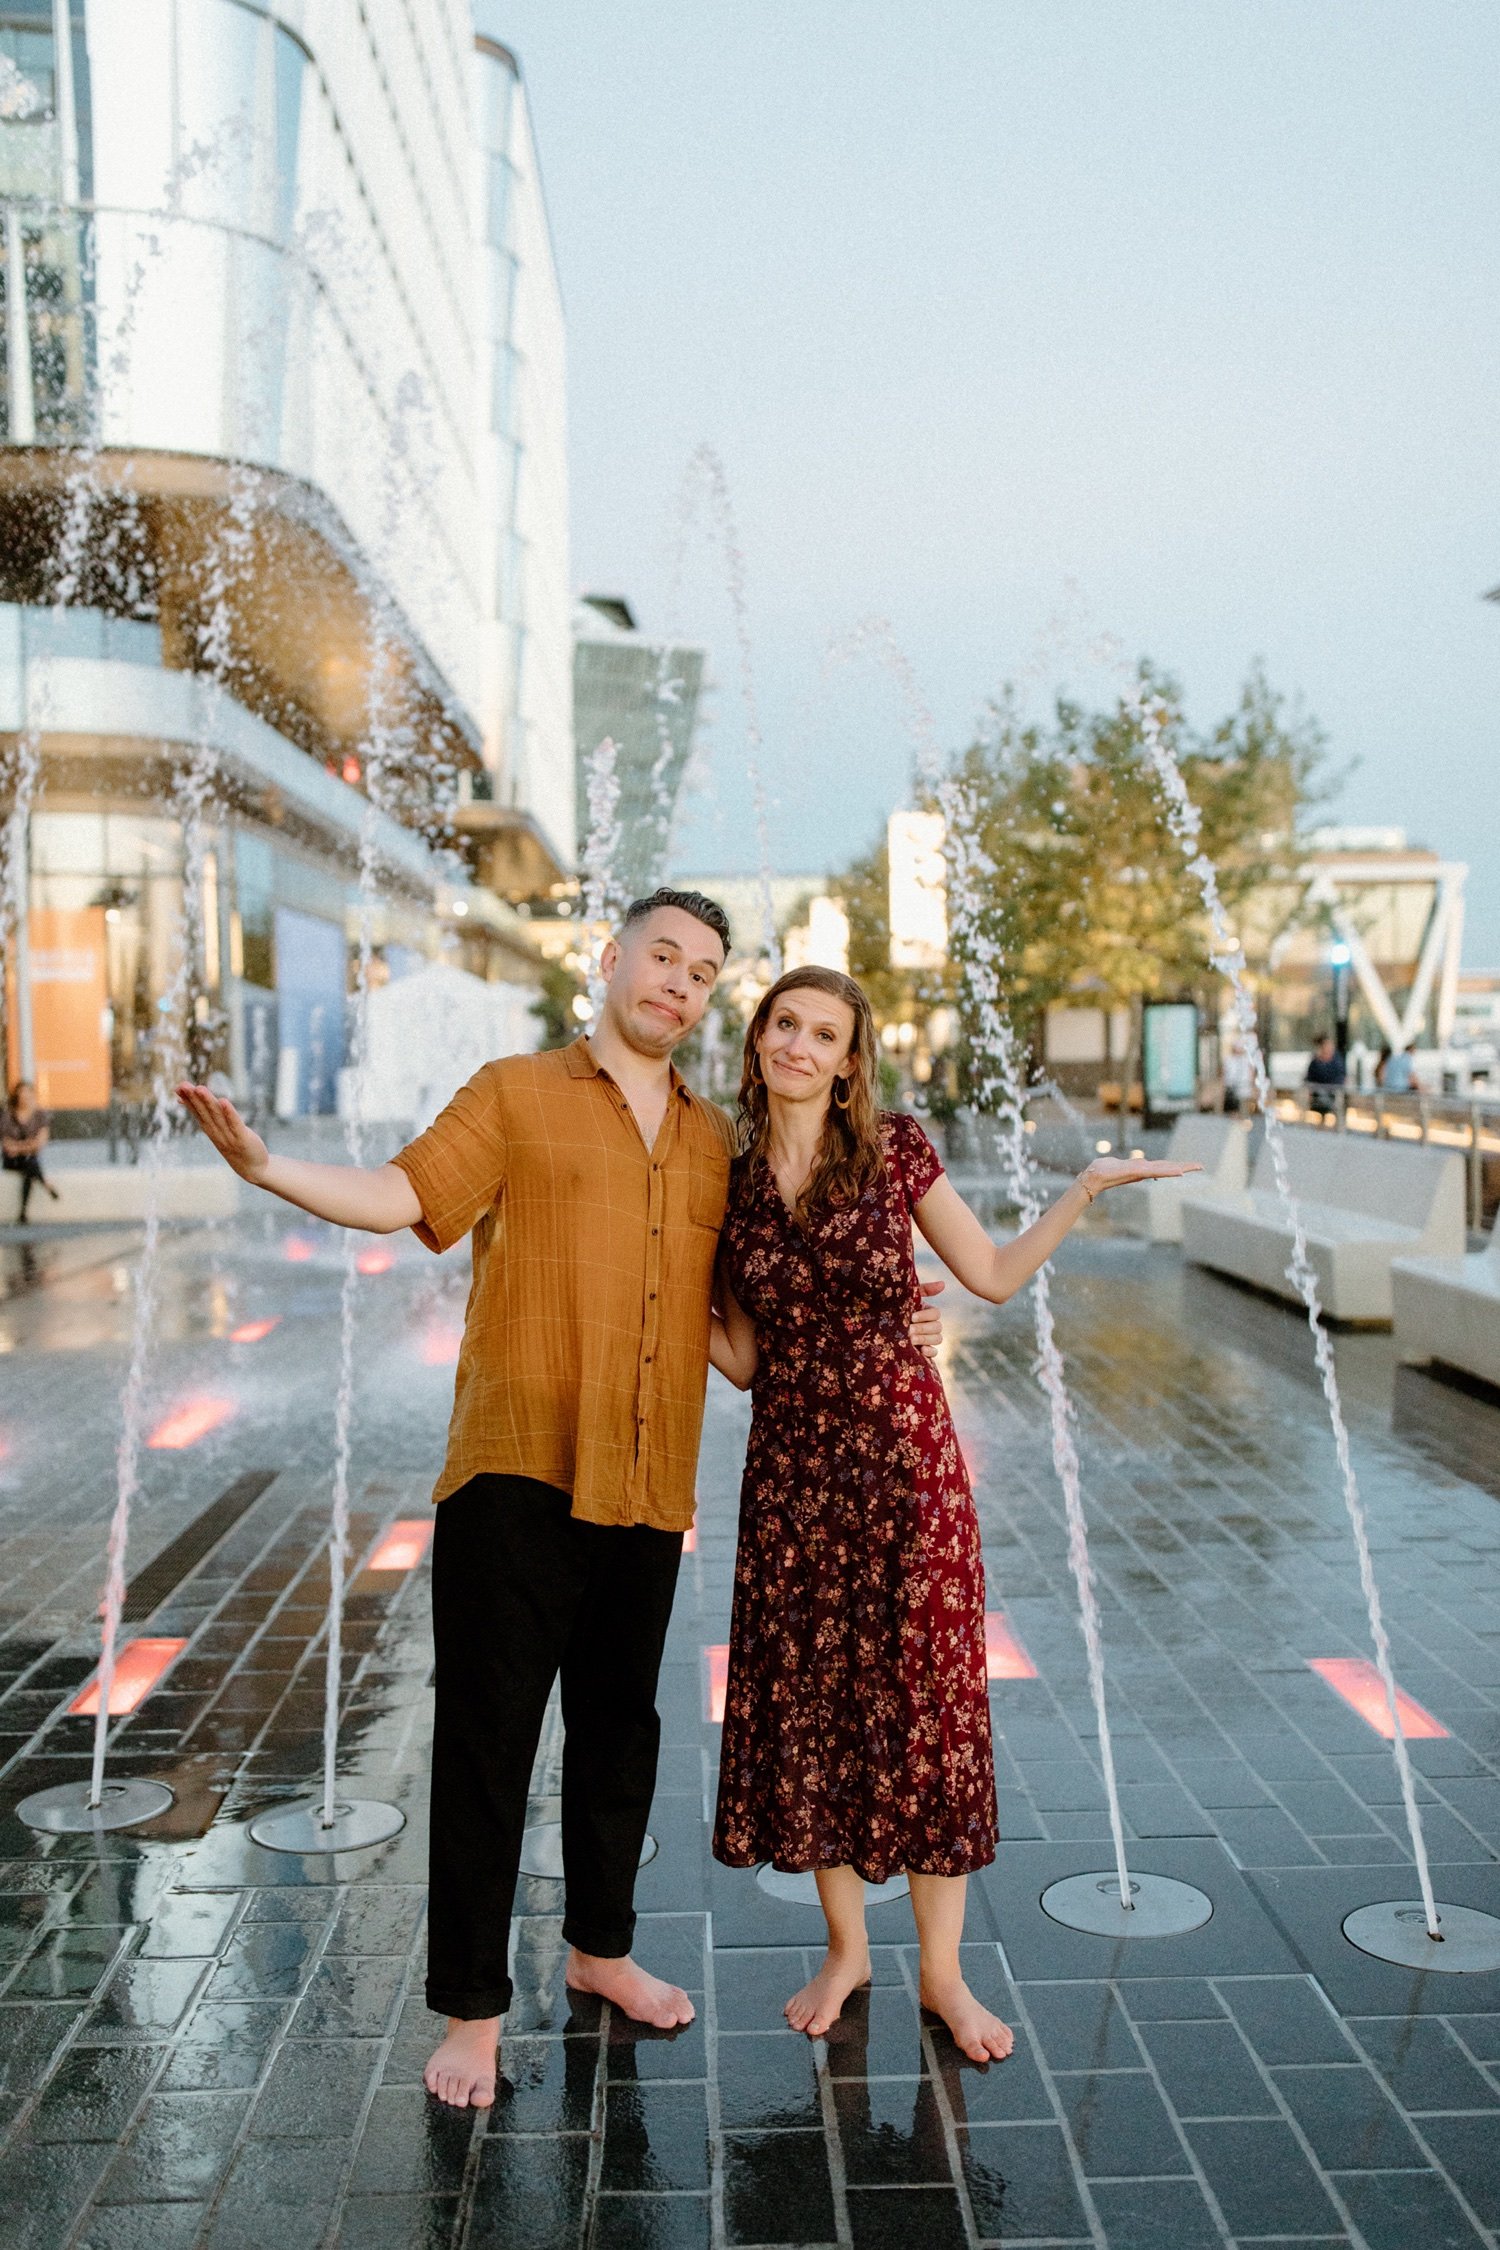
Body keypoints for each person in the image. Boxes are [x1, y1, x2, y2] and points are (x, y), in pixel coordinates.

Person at [177, 890, 942, 2111]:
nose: (678, 985)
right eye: (661, 959)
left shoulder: (711, 1146)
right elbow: (401, 1195)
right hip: (517, 1468)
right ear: (610, 961)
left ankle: (601, 1951)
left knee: (618, 1735)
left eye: (701, 974)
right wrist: (270, 1167)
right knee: (488, 1746)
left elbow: (768, 1305)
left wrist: (883, 1313)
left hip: (646, 1484)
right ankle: (473, 2009)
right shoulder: (515, 1093)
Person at [706, 967, 1201, 2064]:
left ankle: (941, 1972)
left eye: (822, 1033)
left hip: (907, 1465)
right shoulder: (724, 1181)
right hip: (792, 1475)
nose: (798, 1044)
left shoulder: (896, 1146)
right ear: (758, 1041)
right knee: (816, 1705)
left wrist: (1079, 1192)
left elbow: (987, 1274)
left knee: (926, 1703)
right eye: (784, 1024)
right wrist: (666, 1292)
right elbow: (744, 1359)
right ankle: (847, 1949)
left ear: (848, 1061)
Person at [1, 1081, 59, 1222]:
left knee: (30, 1166)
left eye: (27, 1094)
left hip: (28, 1160)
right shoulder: (8, 1116)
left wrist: (19, 1147)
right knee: (31, 1164)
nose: (24, 1097)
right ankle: (45, 1183)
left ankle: (23, 1212)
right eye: (21, 1094)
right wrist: (28, 1145)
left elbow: (39, 1143)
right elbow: (7, 1146)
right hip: (12, 1161)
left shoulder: (39, 1116)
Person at [1304, 1033, 1345, 1122]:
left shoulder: (1337, 1061)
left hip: (1333, 1094)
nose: (1329, 1048)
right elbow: (1309, 1078)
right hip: (1318, 1095)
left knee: (1329, 1099)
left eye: (1330, 1045)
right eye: (1326, 1045)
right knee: (1320, 1097)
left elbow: (1341, 1078)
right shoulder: (1315, 1062)